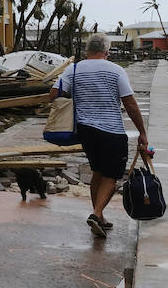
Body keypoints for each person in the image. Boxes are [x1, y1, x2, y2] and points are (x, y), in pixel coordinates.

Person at [48, 34, 150, 237]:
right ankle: (96, 214)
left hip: (85, 130)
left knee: (98, 171)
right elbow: (130, 103)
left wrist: (80, 95)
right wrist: (142, 132)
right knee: (111, 176)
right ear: (106, 51)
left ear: (87, 50)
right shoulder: (116, 70)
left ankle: (100, 217)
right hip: (111, 131)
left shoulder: (73, 69)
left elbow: (53, 94)